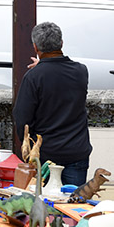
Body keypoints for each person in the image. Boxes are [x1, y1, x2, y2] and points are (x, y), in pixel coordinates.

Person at [14, 22, 91, 185]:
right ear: (61, 43)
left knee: (44, 206)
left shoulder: (33, 77)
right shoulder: (81, 71)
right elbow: (59, 75)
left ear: (35, 47)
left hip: (45, 155)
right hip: (76, 151)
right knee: (72, 205)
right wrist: (43, 67)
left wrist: (28, 147)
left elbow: (22, 118)